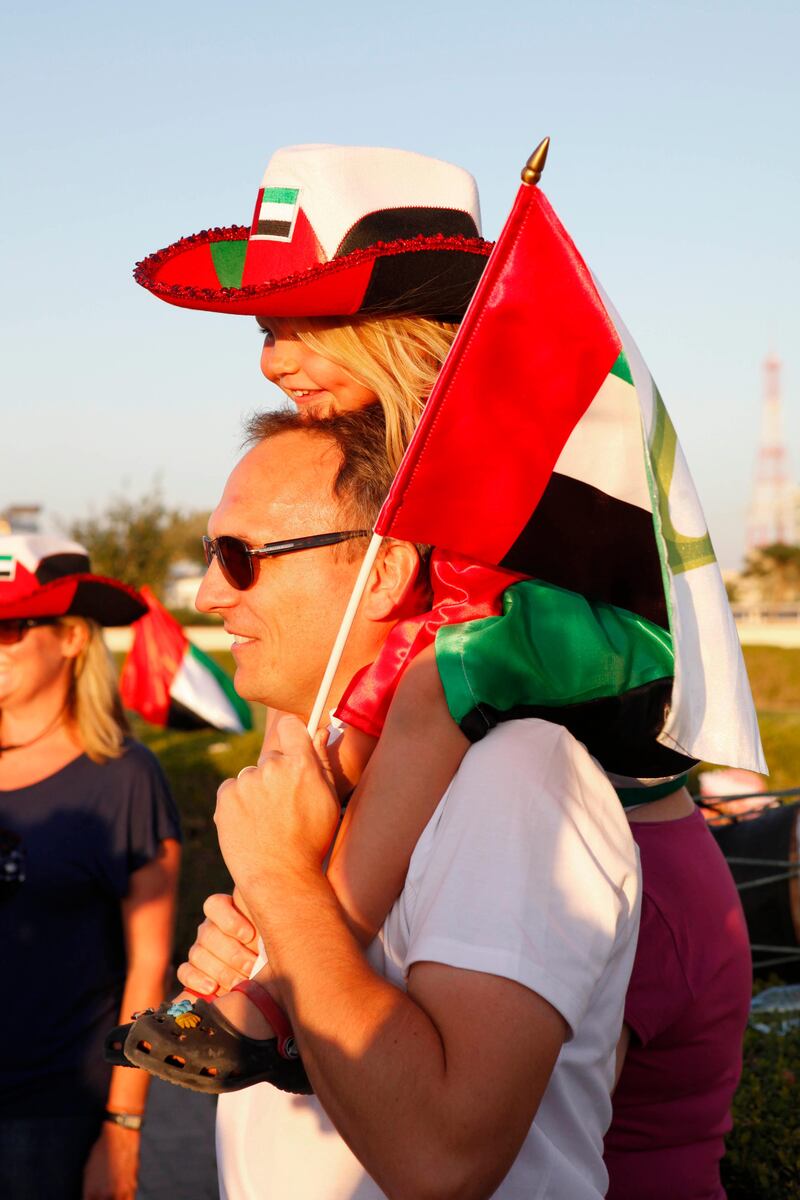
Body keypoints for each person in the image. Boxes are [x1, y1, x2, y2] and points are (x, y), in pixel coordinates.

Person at [131, 408, 641, 1198]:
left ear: (384, 571)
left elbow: (444, 1162)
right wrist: (267, 937)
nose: (206, 594)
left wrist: (280, 887)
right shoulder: (337, 770)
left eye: (239, 557)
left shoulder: (518, 779)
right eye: (209, 553)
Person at [0, 535, 182, 1200]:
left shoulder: (125, 779)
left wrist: (123, 1126)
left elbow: (147, 966)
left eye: (13, 627)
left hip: (51, 1119)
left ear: (73, 639)